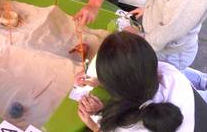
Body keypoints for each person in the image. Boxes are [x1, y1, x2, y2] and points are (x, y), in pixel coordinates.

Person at [76, 32, 207, 132]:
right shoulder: (169, 72)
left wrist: (94, 125)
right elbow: (135, 72)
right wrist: (103, 79)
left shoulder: (130, 126)